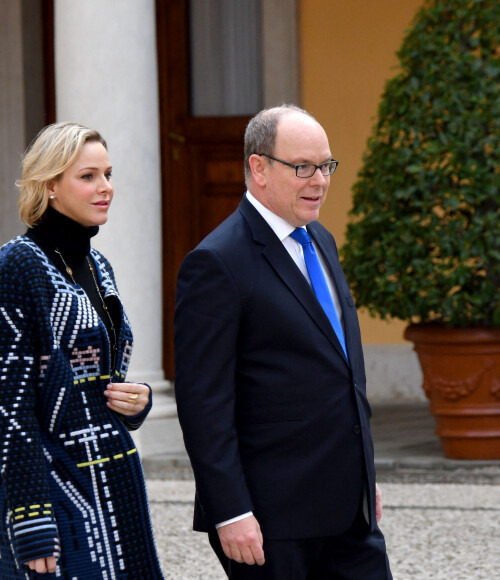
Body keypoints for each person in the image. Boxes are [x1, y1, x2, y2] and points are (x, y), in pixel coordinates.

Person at [174, 104, 392, 579]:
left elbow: (341, 368)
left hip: (348, 510)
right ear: (259, 168)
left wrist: (363, 474)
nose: (319, 180)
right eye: (303, 168)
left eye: (326, 166)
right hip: (272, 521)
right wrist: (229, 511)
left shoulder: (322, 241)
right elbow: (203, 403)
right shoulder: (216, 262)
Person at [0, 122, 164, 579]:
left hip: (109, 476)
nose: (106, 188)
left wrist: (136, 399)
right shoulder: (18, 265)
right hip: (45, 482)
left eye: (108, 173)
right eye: (88, 176)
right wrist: (31, 520)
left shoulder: (98, 265)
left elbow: (97, 375)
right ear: (50, 186)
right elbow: (8, 407)